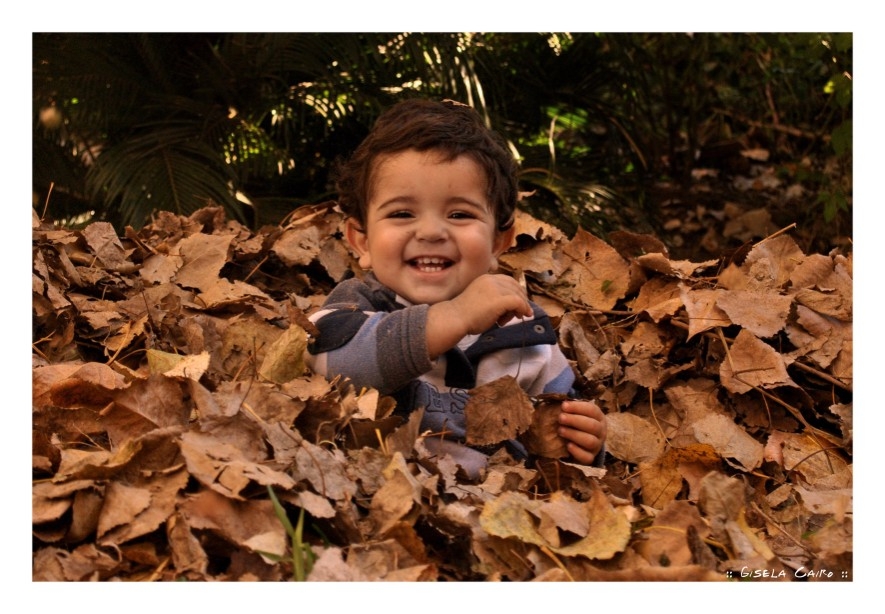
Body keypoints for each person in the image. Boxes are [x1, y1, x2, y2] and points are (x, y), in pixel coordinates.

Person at [305, 98, 606, 478]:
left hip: (497, 515)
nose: (431, 232)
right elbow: (333, 363)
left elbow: (556, 423)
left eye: (459, 214)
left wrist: (582, 442)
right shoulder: (354, 308)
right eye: (402, 213)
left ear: (499, 242)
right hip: (376, 498)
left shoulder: (523, 330)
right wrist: (455, 316)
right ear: (361, 241)